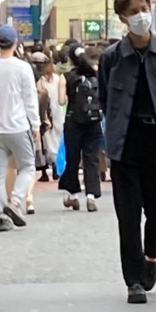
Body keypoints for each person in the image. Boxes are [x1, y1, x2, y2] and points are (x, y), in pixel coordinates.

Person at [99, 0, 156, 304]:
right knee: (128, 214)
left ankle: (151, 254)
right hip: (125, 140)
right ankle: (133, 280)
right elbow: (106, 100)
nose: (141, 15)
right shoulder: (111, 58)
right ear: (122, 18)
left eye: (144, 8)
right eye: (133, 11)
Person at [0, 25, 40, 232]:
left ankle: (2, 216)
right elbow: (30, 99)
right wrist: (36, 124)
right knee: (28, 166)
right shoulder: (22, 68)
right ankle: (15, 202)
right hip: (18, 125)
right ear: (15, 43)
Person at [59, 45, 104, 212]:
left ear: (70, 59)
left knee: (73, 158)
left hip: (73, 121)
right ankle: (91, 196)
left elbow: (61, 101)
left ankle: (73, 195)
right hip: (93, 122)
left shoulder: (66, 77)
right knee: (91, 158)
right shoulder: (96, 75)